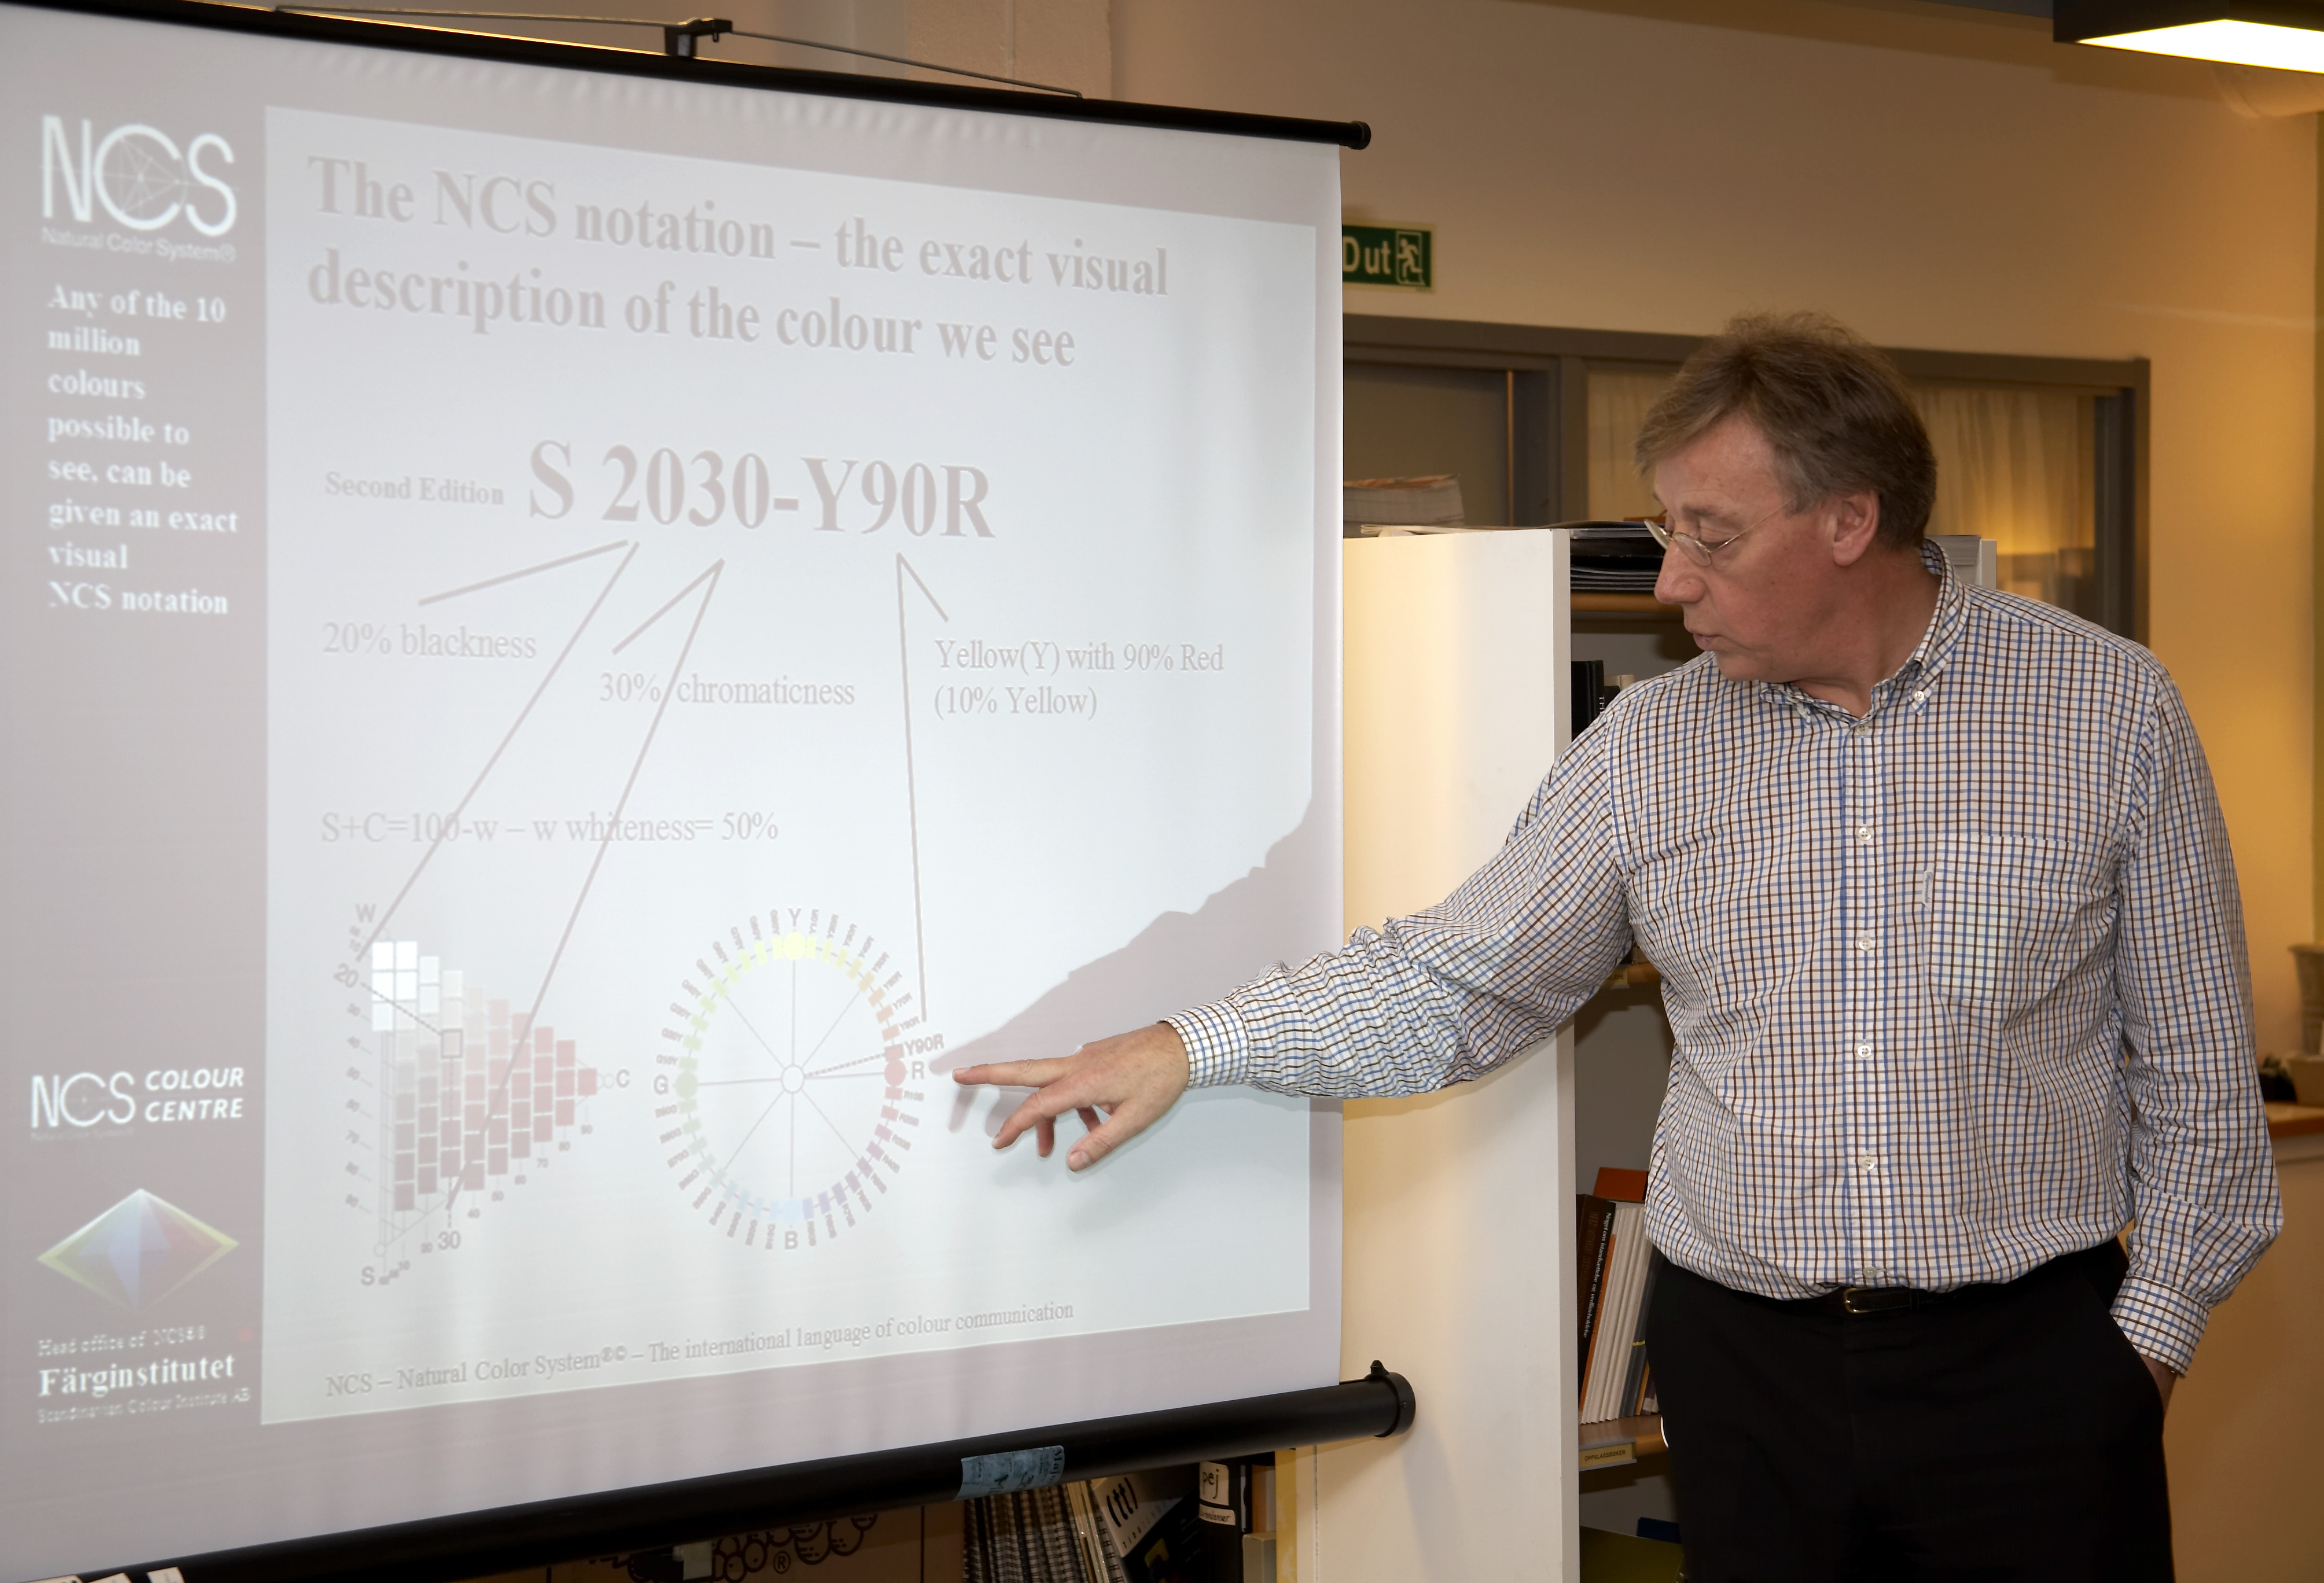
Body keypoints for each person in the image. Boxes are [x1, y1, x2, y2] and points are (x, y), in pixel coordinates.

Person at [954, 312, 2280, 1580]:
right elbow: (1456, 979)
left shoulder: (2108, 712)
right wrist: (1192, 1045)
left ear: (1848, 521)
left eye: (1710, 536)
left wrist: (2133, 1364)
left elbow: (2202, 1089)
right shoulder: (1648, 747)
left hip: (2031, 1373)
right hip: (1748, 1381)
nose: (1668, 581)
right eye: (1665, 531)